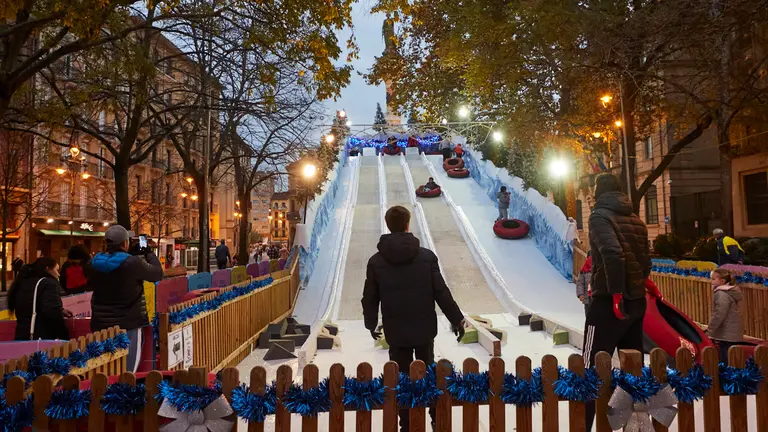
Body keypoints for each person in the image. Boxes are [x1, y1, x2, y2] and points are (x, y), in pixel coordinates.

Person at [362, 205, 465, 432]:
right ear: (408, 225)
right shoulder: (426, 257)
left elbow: (370, 297)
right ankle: (436, 417)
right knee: (427, 373)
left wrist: (371, 323)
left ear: (388, 226)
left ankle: (406, 425)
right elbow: (441, 292)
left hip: (396, 331)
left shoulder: (377, 261)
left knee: (401, 378)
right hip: (424, 329)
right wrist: (457, 319)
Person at [582, 174, 650, 431]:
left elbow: (612, 253)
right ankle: (637, 426)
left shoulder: (599, 216)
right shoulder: (635, 219)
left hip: (608, 302)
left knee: (590, 365)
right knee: (633, 366)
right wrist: (639, 284)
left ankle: (584, 424)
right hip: (636, 303)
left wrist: (616, 293)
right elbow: (645, 259)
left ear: (600, 191)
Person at [88, 225, 163, 373]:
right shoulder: (132, 263)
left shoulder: (93, 264)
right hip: (129, 325)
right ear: (125, 244)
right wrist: (148, 253)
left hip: (100, 324)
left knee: (104, 368)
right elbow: (157, 274)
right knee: (128, 370)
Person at [9, 257, 71, 340]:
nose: (58, 274)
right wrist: (64, 336)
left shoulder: (23, 282)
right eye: (57, 270)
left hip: (22, 335)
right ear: (48, 269)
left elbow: (29, 305)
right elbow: (53, 314)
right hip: (41, 338)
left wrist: (61, 310)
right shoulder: (49, 284)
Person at [705, 268, 743, 361]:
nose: (711, 281)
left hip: (726, 333)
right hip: (731, 332)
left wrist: (710, 329)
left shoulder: (721, 294)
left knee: (726, 358)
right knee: (731, 357)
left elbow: (719, 314)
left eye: (713, 279)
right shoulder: (728, 292)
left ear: (722, 281)